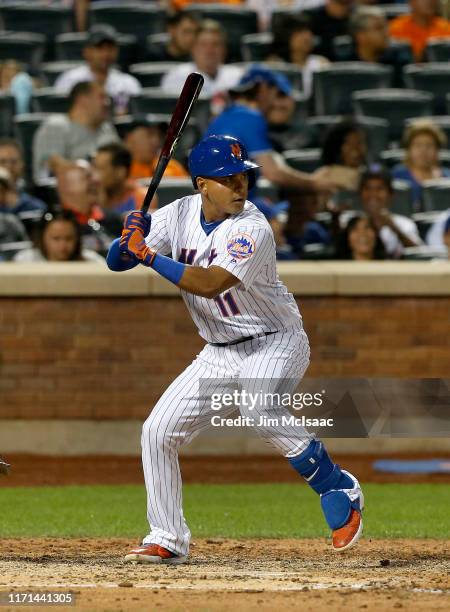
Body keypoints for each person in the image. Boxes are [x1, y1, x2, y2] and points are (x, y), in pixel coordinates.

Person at [107, 134, 364, 564]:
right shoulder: (180, 212)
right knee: (156, 431)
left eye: (243, 176)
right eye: (228, 178)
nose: (240, 185)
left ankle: (336, 484)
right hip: (219, 349)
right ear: (202, 184)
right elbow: (116, 263)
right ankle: (167, 537)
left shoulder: (252, 226)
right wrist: (128, 240)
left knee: (257, 405)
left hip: (274, 339)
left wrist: (148, 256)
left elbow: (209, 284)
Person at [206, 65, 339, 195]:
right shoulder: (250, 117)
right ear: (264, 89)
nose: (274, 102)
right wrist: (315, 184)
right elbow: (273, 173)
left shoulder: (227, 115)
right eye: (275, 94)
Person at [33, 81, 119, 182]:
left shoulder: (107, 128)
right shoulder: (56, 126)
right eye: (102, 97)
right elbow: (51, 168)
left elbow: (119, 162)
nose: (107, 103)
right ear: (82, 99)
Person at [54, 25, 141, 116]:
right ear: (87, 51)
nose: (106, 54)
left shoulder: (128, 83)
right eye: (100, 48)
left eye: (110, 48)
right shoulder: (71, 79)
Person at [161, 20, 243, 97]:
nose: (209, 51)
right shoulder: (176, 77)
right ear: (193, 49)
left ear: (224, 49)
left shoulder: (238, 77)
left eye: (215, 44)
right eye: (203, 45)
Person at [57, 161, 122, 255]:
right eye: (87, 177)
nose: (95, 181)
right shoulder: (54, 224)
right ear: (65, 186)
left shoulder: (112, 219)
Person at [359, 168, 422, 258]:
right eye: (367, 188)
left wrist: (393, 227)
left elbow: (418, 256)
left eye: (379, 189)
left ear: (390, 194)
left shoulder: (404, 224)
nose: (373, 194)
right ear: (360, 193)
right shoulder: (351, 222)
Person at [391, 119, 450, 211]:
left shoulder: (447, 177)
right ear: (409, 149)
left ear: (437, 150)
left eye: (429, 145)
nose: (423, 150)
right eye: (418, 145)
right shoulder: (397, 175)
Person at [269, 14, 330, 98]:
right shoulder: (276, 66)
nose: (307, 36)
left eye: (308, 31)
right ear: (286, 36)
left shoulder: (320, 63)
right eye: (300, 32)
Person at [347, 7, 412, 85]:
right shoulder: (346, 65)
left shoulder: (400, 60)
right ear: (361, 36)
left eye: (385, 27)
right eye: (379, 28)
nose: (386, 33)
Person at [14, 209, 104, 262]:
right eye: (56, 239)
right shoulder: (25, 261)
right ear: (42, 238)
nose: (63, 245)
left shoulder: (93, 262)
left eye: (69, 238)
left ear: (77, 238)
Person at [93, 142, 156, 215]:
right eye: (94, 167)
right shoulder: (91, 196)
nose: (94, 176)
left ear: (120, 172)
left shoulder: (143, 197)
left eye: (100, 169)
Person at [123, 119, 189, 181]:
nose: (156, 141)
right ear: (129, 139)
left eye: (159, 135)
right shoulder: (120, 171)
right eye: (149, 135)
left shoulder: (172, 167)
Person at [314, 118, 368, 193]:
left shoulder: (370, 175)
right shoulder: (324, 175)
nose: (355, 149)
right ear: (336, 147)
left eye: (359, 142)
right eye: (349, 143)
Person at [0, 139, 46, 216]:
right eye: (2, 161)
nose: (8, 166)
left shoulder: (35, 208)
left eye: (14, 161)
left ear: (22, 166)